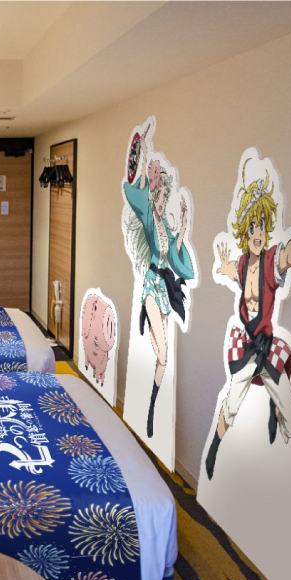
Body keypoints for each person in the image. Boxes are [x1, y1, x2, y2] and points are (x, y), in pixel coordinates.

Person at [205, 165, 291, 479]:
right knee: (231, 404)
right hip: (247, 348)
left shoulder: (270, 262)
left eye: (263, 227)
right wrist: (223, 266)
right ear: (246, 230)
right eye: (253, 226)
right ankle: (214, 446)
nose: (258, 233)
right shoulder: (244, 264)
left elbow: (289, 254)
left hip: (267, 348)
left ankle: (275, 407)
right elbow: (231, 269)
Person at [123, 137, 194, 437]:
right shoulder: (150, 220)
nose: (163, 200)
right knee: (163, 354)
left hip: (163, 289)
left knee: (161, 357)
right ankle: (151, 410)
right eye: (160, 195)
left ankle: (150, 409)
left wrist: (185, 221)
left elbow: (176, 252)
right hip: (151, 288)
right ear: (154, 196)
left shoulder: (165, 226)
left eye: (166, 196)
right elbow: (137, 194)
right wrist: (143, 157)